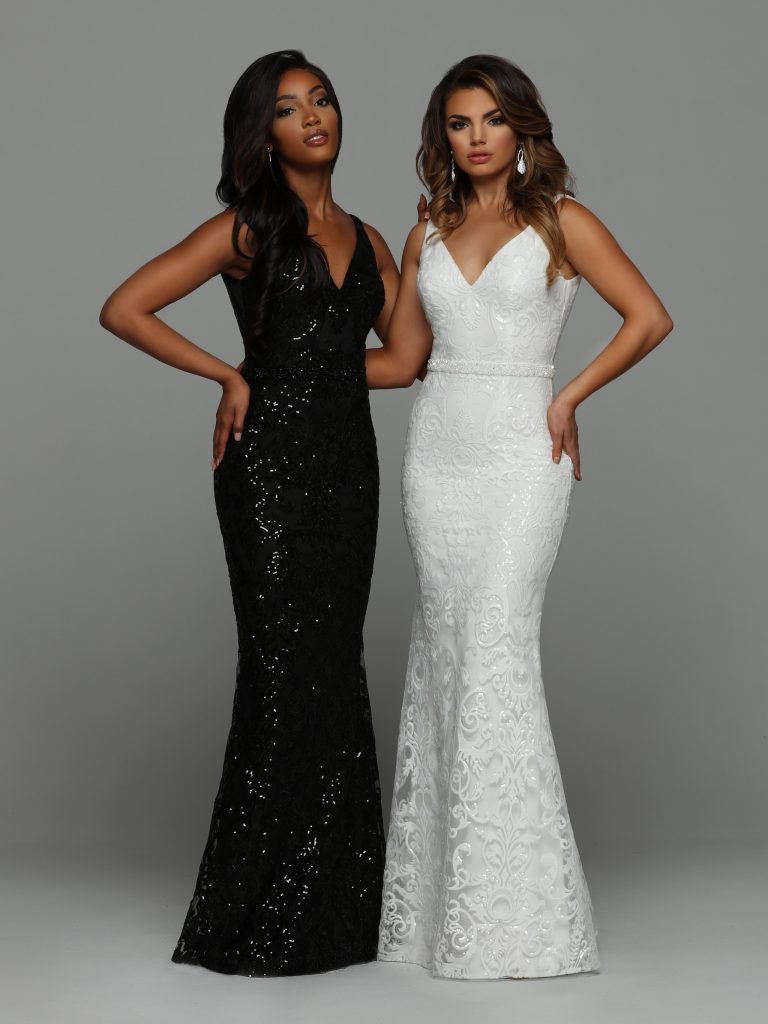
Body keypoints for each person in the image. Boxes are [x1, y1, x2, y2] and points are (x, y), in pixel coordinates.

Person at [366, 54, 673, 979]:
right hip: (437, 460)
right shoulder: (427, 232)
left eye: (493, 120)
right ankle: (442, 910)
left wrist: (568, 395)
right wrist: (280, 369)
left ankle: (520, 919)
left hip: (519, 457)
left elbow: (648, 317)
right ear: (443, 136)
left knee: (496, 648)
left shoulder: (562, 220)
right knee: (449, 652)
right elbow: (401, 362)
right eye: (459, 123)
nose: (477, 138)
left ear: (522, 128)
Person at [99, 49, 405, 977]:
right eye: (288, 107)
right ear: (261, 133)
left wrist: (429, 246)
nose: (313, 117)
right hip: (267, 472)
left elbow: (403, 361)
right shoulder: (248, 226)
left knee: (335, 668)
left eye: (323, 100)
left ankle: (340, 910)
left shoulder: (372, 238)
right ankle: (252, 913)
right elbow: (126, 307)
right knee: (282, 673)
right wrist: (230, 375)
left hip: (348, 473)